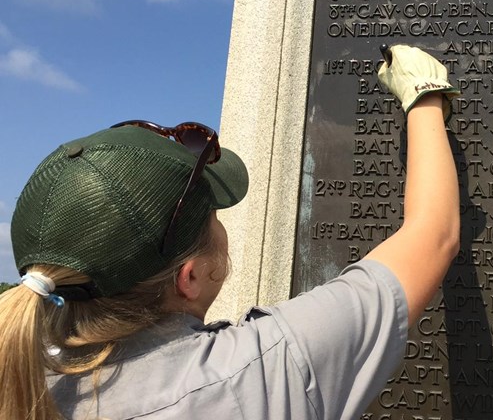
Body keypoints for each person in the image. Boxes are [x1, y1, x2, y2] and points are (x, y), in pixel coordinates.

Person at [0, 44, 460, 420]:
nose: (221, 228)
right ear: (189, 278)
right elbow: (433, 234)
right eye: (214, 219)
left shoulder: (20, 381)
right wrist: (423, 94)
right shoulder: (260, 374)